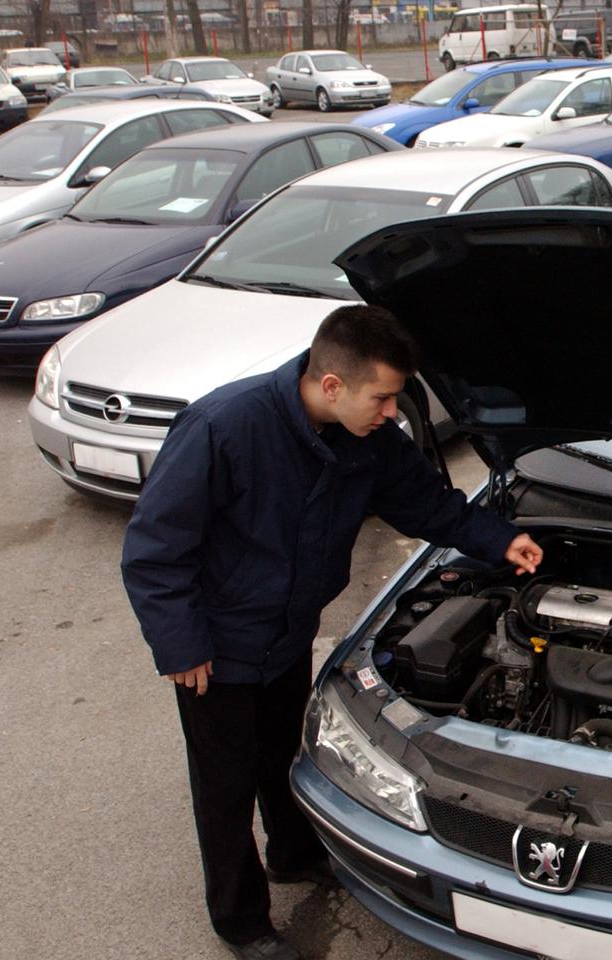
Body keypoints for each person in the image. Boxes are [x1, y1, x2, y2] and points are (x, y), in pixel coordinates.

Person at [121, 305, 542, 960]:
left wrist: (501, 538)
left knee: (282, 753)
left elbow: (426, 504)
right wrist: (181, 645)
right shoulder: (225, 427)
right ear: (332, 385)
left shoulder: (369, 438)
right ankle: (242, 922)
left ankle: (292, 854)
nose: (391, 411)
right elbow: (153, 549)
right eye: (382, 396)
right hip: (217, 650)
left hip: (288, 632)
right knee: (225, 786)